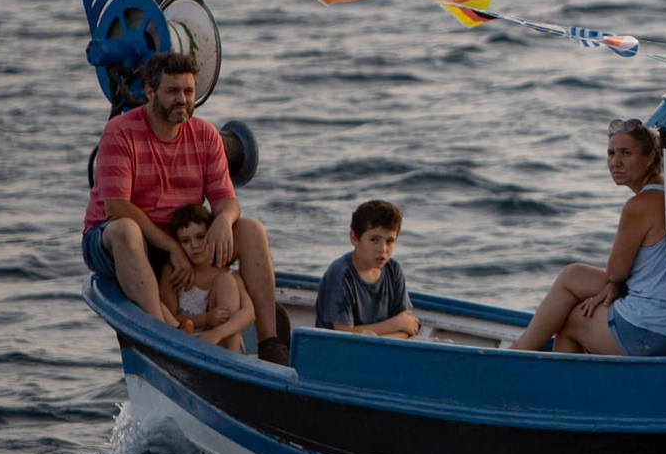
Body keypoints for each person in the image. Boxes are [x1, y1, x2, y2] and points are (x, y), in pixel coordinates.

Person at [80, 52, 285, 362]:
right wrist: (173, 250)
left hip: (182, 236)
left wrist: (223, 221)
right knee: (126, 231)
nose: (183, 99)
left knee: (251, 230)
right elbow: (117, 207)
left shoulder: (205, 135)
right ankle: (167, 338)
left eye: (188, 92)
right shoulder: (120, 133)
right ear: (150, 93)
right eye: (172, 91)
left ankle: (271, 344)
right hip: (116, 239)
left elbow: (226, 201)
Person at [509, 120, 666, 357]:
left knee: (572, 320)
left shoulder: (640, 205)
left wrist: (614, 282)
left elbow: (616, 273)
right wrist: (614, 284)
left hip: (655, 330)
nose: (615, 162)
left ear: (650, 157)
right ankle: (522, 352)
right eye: (611, 154)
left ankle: (518, 357)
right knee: (574, 277)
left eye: (626, 153)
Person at [316, 200, 421, 338]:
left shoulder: (394, 270)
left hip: (380, 348)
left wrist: (376, 339)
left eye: (389, 241)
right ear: (354, 238)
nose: (382, 249)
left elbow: (408, 327)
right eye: (374, 240)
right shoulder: (341, 274)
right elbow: (343, 335)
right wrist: (396, 324)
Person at [161, 203, 256, 351]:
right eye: (185, 241)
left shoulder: (224, 272)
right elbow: (169, 317)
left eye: (200, 237)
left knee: (225, 281)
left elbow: (249, 313)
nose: (194, 245)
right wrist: (206, 319)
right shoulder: (174, 271)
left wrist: (216, 333)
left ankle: (230, 360)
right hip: (187, 343)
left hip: (220, 342)